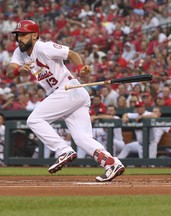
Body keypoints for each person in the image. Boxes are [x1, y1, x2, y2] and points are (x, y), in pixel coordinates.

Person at [7, 20, 124, 182]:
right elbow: (9, 72)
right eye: (18, 34)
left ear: (34, 35)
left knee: (34, 120)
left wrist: (80, 68)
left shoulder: (44, 47)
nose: (19, 38)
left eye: (23, 34)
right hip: (70, 95)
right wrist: (19, 69)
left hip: (68, 89)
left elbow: (72, 54)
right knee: (82, 138)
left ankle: (63, 150)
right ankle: (111, 163)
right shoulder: (19, 53)